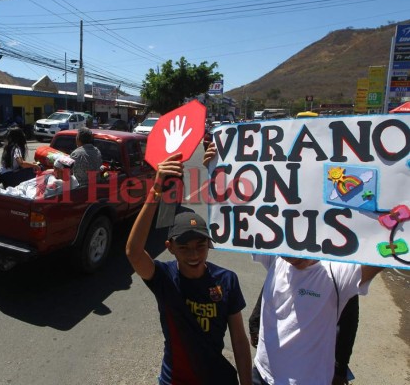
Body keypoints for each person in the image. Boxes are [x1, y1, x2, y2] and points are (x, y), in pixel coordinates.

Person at [203, 142, 384, 385]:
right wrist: (217, 171)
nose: (288, 251)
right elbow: (239, 211)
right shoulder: (275, 256)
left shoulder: (338, 272)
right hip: (262, 375)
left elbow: (386, 251)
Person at [126, 153, 252, 385]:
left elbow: (239, 340)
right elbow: (134, 252)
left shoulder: (227, 280)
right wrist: (155, 191)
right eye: (184, 247)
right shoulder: (163, 277)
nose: (193, 254)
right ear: (170, 247)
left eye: (200, 246)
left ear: (209, 245)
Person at [248, 288, 359, 385]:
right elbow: (270, 286)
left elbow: (348, 322)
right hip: (265, 369)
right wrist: (255, 321)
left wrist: (340, 368)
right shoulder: (282, 263)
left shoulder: (339, 272)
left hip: (307, 374)